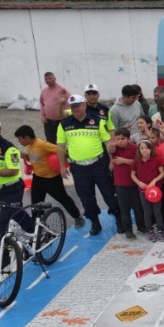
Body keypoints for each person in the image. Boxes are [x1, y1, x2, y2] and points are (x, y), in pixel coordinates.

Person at [57, 94, 120, 236]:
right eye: (72, 106)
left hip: (99, 164)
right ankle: (95, 223)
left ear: (84, 105)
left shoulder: (97, 121)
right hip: (78, 168)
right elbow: (60, 147)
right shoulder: (64, 124)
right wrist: (62, 166)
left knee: (109, 193)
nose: (75, 109)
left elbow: (107, 141)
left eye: (78, 105)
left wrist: (111, 160)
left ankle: (119, 219)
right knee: (86, 197)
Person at [14, 125, 85, 229]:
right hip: (38, 179)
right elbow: (36, 159)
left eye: (20, 138)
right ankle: (37, 224)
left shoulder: (42, 144)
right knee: (36, 204)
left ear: (27, 137)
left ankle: (78, 217)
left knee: (63, 199)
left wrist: (65, 164)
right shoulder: (29, 147)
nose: (19, 141)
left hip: (52, 180)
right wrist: (25, 156)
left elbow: (60, 150)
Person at [0, 117, 35, 241]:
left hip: (12, 188)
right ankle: (36, 231)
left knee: (3, 223)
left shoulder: (9, 148)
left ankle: (4, 257)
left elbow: (13, 171)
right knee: (17, 214)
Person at [109, 128, 143, 239]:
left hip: (134, 183)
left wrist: (124, 160)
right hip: (120, 184)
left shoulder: (134, 148)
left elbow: (139, 162)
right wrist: (112, 143)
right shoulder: (115, 148)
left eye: (123, 139)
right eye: (118, 139)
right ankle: (128, 230)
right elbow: (110, 150)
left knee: (138, 207)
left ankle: (141, 226)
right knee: (124, 209)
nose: (120, 141)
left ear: (129, 139)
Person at [132, 140, 164, 241]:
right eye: (142, 148)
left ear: (151, 149)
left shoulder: (156, 160)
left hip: (156, 191)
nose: (144, 151)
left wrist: (155, 180)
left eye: (146, 148)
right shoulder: (136, 161)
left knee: (157, 211)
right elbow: (132, 174)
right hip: (143, 191)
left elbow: (162, 173)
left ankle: (160, 230)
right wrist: (139, 183)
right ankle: (149, 231)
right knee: (147, 212)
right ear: (139, 150)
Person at [39, 72, 70, 144]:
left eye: (50, 78)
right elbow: (42, 104)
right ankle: (53, 155)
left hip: (61, 121)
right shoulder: (44, 91)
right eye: (46, 79)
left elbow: (69, 104)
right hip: (48, 121)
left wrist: (67, 118)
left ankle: (63, 154)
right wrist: (43, 116)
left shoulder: (62, 90)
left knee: (62, 141)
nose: (48, 80)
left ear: (54, 78)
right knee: (50, 141)